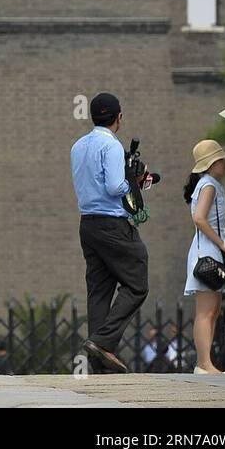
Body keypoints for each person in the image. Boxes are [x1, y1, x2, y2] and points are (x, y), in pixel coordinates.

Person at [71, 92, 148, 374]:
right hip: (112, 224)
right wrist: (134, 182)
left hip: (87, 224)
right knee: (137, 280)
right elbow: (116, 187)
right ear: (118, 117)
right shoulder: (112, 146)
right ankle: (102, 342)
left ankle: (98, 363)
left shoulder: (77, 146)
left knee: (99, 289)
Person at [183, 139, 225, 374]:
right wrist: (223, 244)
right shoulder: (209, 186)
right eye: (221, 159)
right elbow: (199, 218)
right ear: (211, 163)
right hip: (208, 251)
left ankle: (206, 362)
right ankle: (204, 364)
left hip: (209, 250)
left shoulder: (209, 184)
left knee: (212, 309)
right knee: (206, 311)